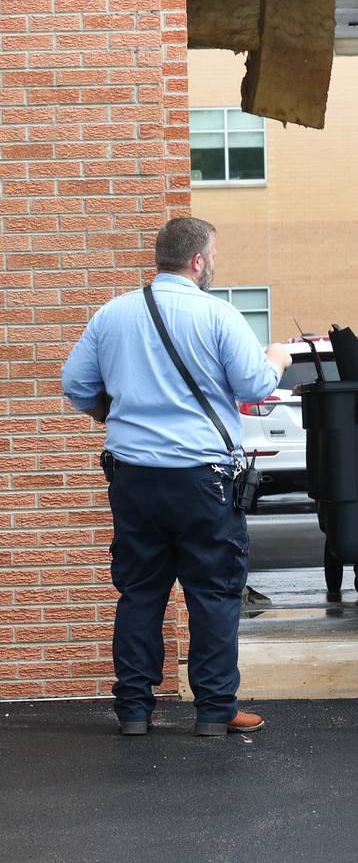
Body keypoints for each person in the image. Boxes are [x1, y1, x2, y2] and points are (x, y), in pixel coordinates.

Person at [62, 217, 292, 736]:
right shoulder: (218, 315)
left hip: (133, 477)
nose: (214, 264)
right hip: (203, 480)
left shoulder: (113, 313)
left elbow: (76, 384)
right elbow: (255, 386)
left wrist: (118, 416)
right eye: (213, 256)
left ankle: (135, 711)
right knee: (212, 593)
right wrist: (275, 358)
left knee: (140, 593)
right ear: (198, 261)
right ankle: (214, 712)